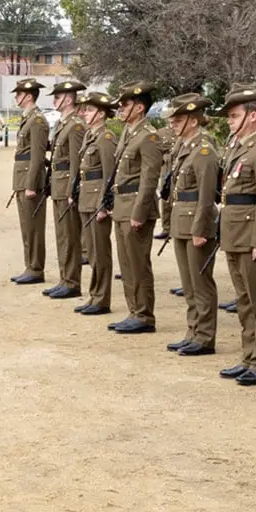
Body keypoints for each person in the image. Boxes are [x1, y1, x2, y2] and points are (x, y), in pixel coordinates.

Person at [216, 87, 256, 387]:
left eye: (235, 116)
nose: (229, 121)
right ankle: (249, 355)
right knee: (244, 300)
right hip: (235, 233)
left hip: (252, 234)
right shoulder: (238, 146)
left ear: (253, 117)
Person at [98, 83, 161, 333]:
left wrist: (139, 212)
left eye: (125, 105)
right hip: (122, 204)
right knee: (126, 263)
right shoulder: (129, 132)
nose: (121, 109)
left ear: (140, 107)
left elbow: (148, 179)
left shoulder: (148, 135)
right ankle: (134, 310)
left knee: (138, 263)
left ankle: (144, 315)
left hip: (135, 206)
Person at [164, 93, 221, 356]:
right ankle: (193, 330)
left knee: (201, 283)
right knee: (189, 284)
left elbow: (207, 195)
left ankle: (205, 336)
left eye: (178, 119)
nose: (173, 123)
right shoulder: (184, 147)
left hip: (196, 224)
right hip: (181, 221)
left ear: (193, 120)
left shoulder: (204, 149)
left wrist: (200, 228)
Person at [72, 91, 117, 315]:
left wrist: (105, 205)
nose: (84, 113)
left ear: (101, 113)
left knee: (100, 252)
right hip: (86, 199)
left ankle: (102, 298)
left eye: (89, 110)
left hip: (96, 200)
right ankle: (94, 295)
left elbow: (110, 175)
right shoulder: (91, 136)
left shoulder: (106, 138)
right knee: (91, 251)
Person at [43, 79, 88, 300]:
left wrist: (72, 190)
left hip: (66, 184)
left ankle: (72, 281)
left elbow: (76, 162)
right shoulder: (63, 123)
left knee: (70, 236)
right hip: (58, 184)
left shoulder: (76, 125)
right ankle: (64, 278)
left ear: (69, 99)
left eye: (58, 97)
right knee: (62, 236)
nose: (54, 101)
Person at [10, 78, 51, 284]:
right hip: (22, 176)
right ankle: (30, 265)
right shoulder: (28, 118)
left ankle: (35, 268)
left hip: (29, 178)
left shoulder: (36, 120)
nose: (16, 98)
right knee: (26, 225)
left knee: (33, 227)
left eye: (18, 94)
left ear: (28, 96)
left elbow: (37, 155)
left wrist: (31, 184)